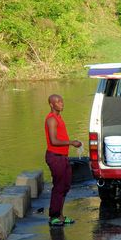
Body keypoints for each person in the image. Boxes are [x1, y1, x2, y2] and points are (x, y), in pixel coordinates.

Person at [44, 94, 83, 227]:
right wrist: (72, 142)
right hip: (55, 157)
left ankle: (60, 215)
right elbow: (54, 141)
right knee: (59, 186)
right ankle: (53, 216)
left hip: (62, 157)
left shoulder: (59, 117)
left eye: (62, 101)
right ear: (51, 104)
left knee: (65, 186)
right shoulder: (51, 120)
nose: (62, 104)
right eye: (58, 102)